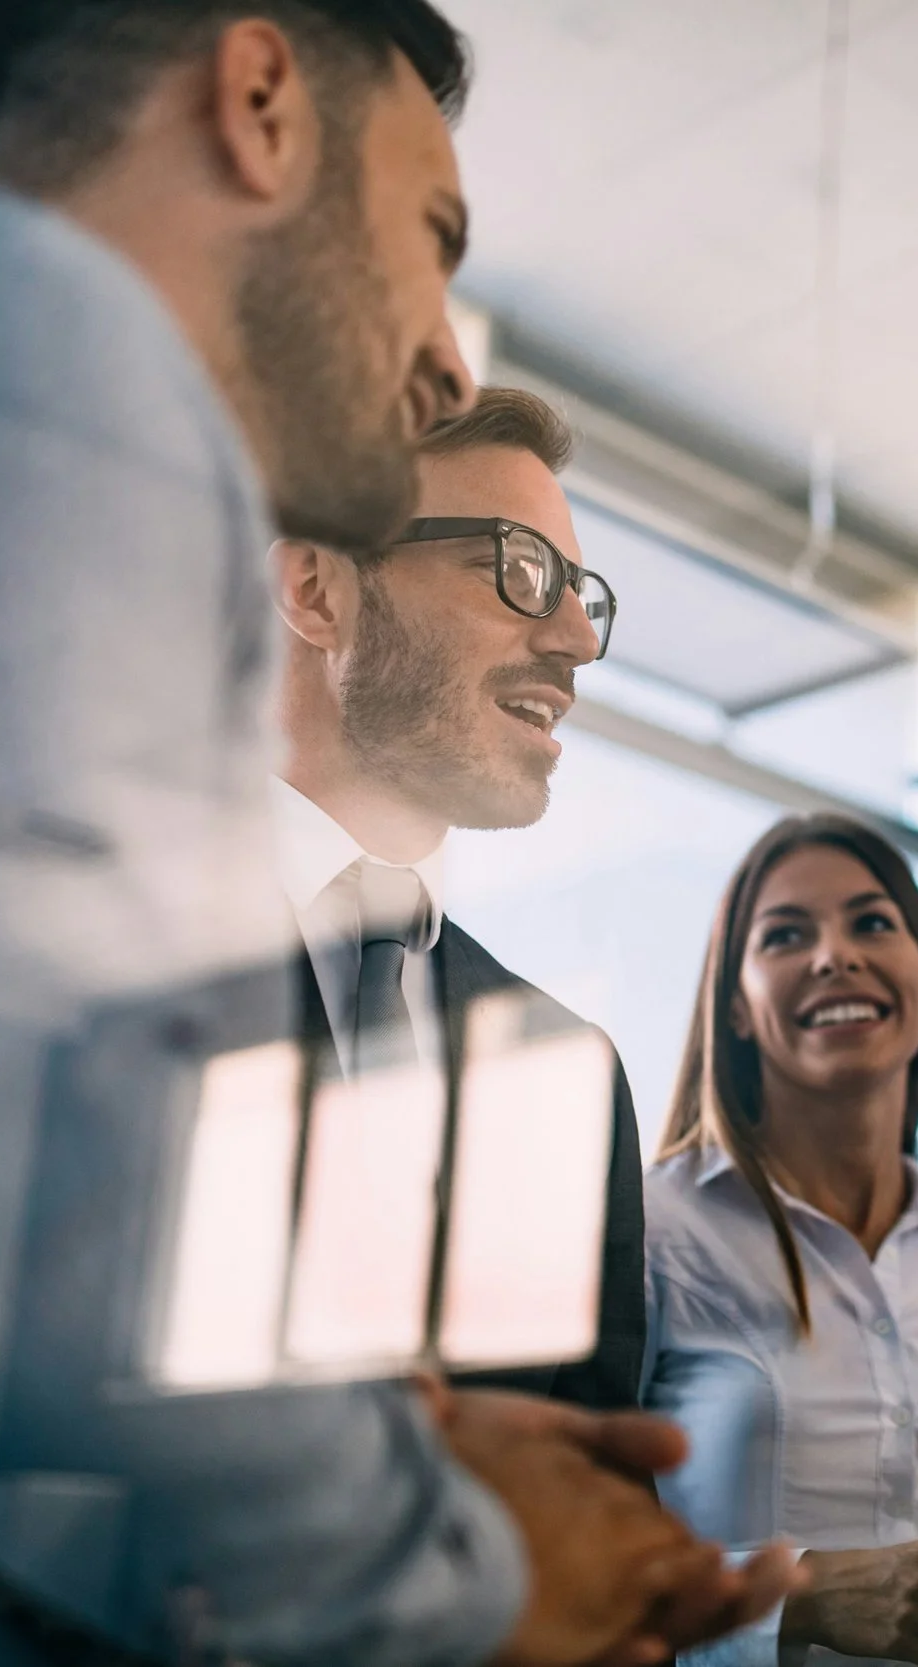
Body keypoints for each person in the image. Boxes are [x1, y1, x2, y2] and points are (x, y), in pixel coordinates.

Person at [0, 4, 787, 1662]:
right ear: (260, 103)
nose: (444, 353)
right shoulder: (8, 357)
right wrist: (457, 1570)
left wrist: (406, 1468)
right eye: (434, 235)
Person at [266, 384, 644, 1413]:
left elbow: (592, 1499)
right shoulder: (78, 940)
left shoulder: (569, 1070)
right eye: (518, 570)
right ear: (317, 588)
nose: (576, 638)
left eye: (579, 590)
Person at [646, 815, 918, 1667]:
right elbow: (562, 1553)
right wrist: (795, 1598)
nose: (834, 955)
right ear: (735, 1002)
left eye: (872, 921)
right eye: (786, 935)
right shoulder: (653, 1235)